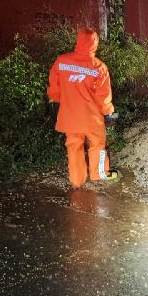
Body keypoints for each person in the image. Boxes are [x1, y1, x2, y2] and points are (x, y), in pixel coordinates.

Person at [47, 28, 118, 188]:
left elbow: (54, 87)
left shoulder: (62, 62)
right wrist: (108, 113)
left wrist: (55, 100)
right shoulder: (99, 67)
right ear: (95, 44)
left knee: (73, 146)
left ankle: (77, 180)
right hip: (92, 117)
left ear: (78, 41)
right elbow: (103, 96)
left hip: (70, 115)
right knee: (97, 144)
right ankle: (98, 174)